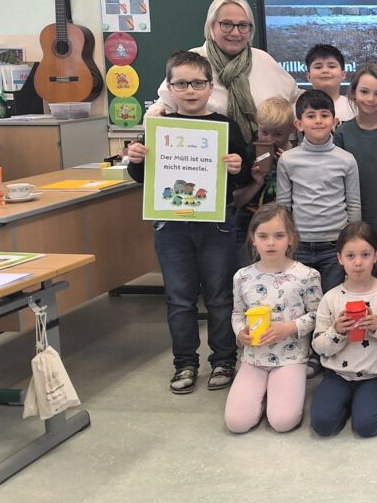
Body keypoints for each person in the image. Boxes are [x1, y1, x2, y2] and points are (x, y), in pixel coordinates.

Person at [127, 51, 250, 393]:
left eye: (197, 83)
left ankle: (224, 359)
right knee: (179, 298)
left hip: (217, 224)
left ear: (211, 87)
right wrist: (136, 159)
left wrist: (238, 166)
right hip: (172, 227)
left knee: (219, 296)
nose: (190, 90)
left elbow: (243, 175)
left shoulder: (226, 126)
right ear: (169, 88)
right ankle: (185, 363)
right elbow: (142, 177)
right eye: (181, 84)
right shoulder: (158, 127)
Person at [148, 0, 300, 144]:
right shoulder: (193, 62)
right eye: (226, 24)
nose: (235, 32)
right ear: (211, 25)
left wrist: (284, 126)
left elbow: (297, 99)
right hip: (203, 153)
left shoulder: (264, 60)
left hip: (263, 154)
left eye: (243, 25)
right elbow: (165, 105)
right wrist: (155, 116)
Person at [310, 222, 377, 437]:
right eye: (350, 256)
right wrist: (337, 332)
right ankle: (352, 404)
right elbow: (318, 346)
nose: (358, 263)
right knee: (322, 424)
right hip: (337, 375)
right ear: (340, 258)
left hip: (374, 375)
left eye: (365, 255)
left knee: (367, 426)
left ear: (376, 256)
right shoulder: (331, 297)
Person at [224, 204, 321, 433]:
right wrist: (240, 332)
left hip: (290, 357)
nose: (270, 243)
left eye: (279, 236)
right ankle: (262, 395)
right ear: (253, 239)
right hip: (254, 358)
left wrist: (290, 327)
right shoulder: (243, 277)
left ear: (291, 239)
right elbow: (237, 313)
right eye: (263, 236)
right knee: (236, 423)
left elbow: (317, 314)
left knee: (283, 422)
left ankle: (277, 395)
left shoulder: (306, 275)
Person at [275, 90, 361, 294]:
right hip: (299, 244)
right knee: (299, 302)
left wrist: (352, 240)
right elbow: (283, 205)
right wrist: (285, 239)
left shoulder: (346, 159)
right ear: (299, 124)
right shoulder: (288, 160)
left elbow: (354, 204)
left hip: (334, 245)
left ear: (335, 122)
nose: (318, 120)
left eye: (324, 115)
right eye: (311, 116)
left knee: (331, 301)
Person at [334, 64, 377, 285]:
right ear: (353, 92)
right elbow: (337, 183)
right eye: (364, 91)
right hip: (354, 228)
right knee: (357, 286)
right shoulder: (343, 133)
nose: (371, 99)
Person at [232, 97, 296, 267]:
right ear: (257, 127)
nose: (270, 140)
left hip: (285, 226)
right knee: (246, 273)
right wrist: (256, 182)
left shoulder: (298, 156)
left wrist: (289, 168)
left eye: (278, 134)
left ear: (292, 129)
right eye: (264, 132)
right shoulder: (247, 154)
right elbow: (236, 201)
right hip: (248, 224)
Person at [305, 43, 356, 123]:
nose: (325, 71)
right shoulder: (297, 108)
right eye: (318, 67)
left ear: (343, 75)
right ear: (308, 76)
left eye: (332, 66)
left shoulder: (355, 109)